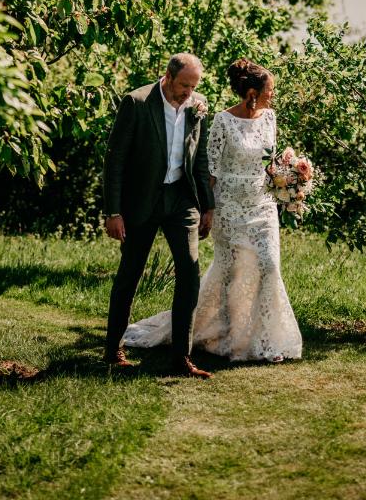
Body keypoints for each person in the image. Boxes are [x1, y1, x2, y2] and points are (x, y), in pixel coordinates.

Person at [123, 57, 302, 362]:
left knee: (269, 266)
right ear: (252, 93)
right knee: (231, 274)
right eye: (270, 90)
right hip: (230, 208)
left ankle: (267, 341)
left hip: (263, 206)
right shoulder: (222, 120)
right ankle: (229, 336)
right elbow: (211, 169)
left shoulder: (270, 118)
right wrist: (208, 208)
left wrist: (291, 177)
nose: (273, 95)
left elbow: (269, 162)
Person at [102, 53, 216, 378]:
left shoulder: (198, 106)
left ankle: (181, 357)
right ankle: (113, 349)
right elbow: (115, 160)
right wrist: (113, 211)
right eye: (184, 85)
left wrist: (207, 206)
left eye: (194, 86)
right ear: (167, 76)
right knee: (130, 273)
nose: (188, 93)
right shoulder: (137, 102)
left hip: (181, 198)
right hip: (141, 201)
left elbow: (201, 156)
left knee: (190, 272)